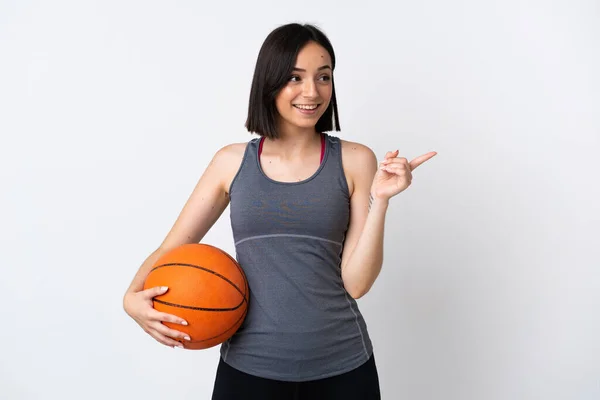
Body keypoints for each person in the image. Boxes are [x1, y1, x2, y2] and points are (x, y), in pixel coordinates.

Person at [123, 23, 436, 399]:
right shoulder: (230, 162)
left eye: (324, 77)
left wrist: (380, 201)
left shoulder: (355, 160)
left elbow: (357, 283)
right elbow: (172, 249)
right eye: (294, 77)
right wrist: (131, 297)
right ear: (269, 82)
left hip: (344, 368)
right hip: (248, 369)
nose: (312, 91)